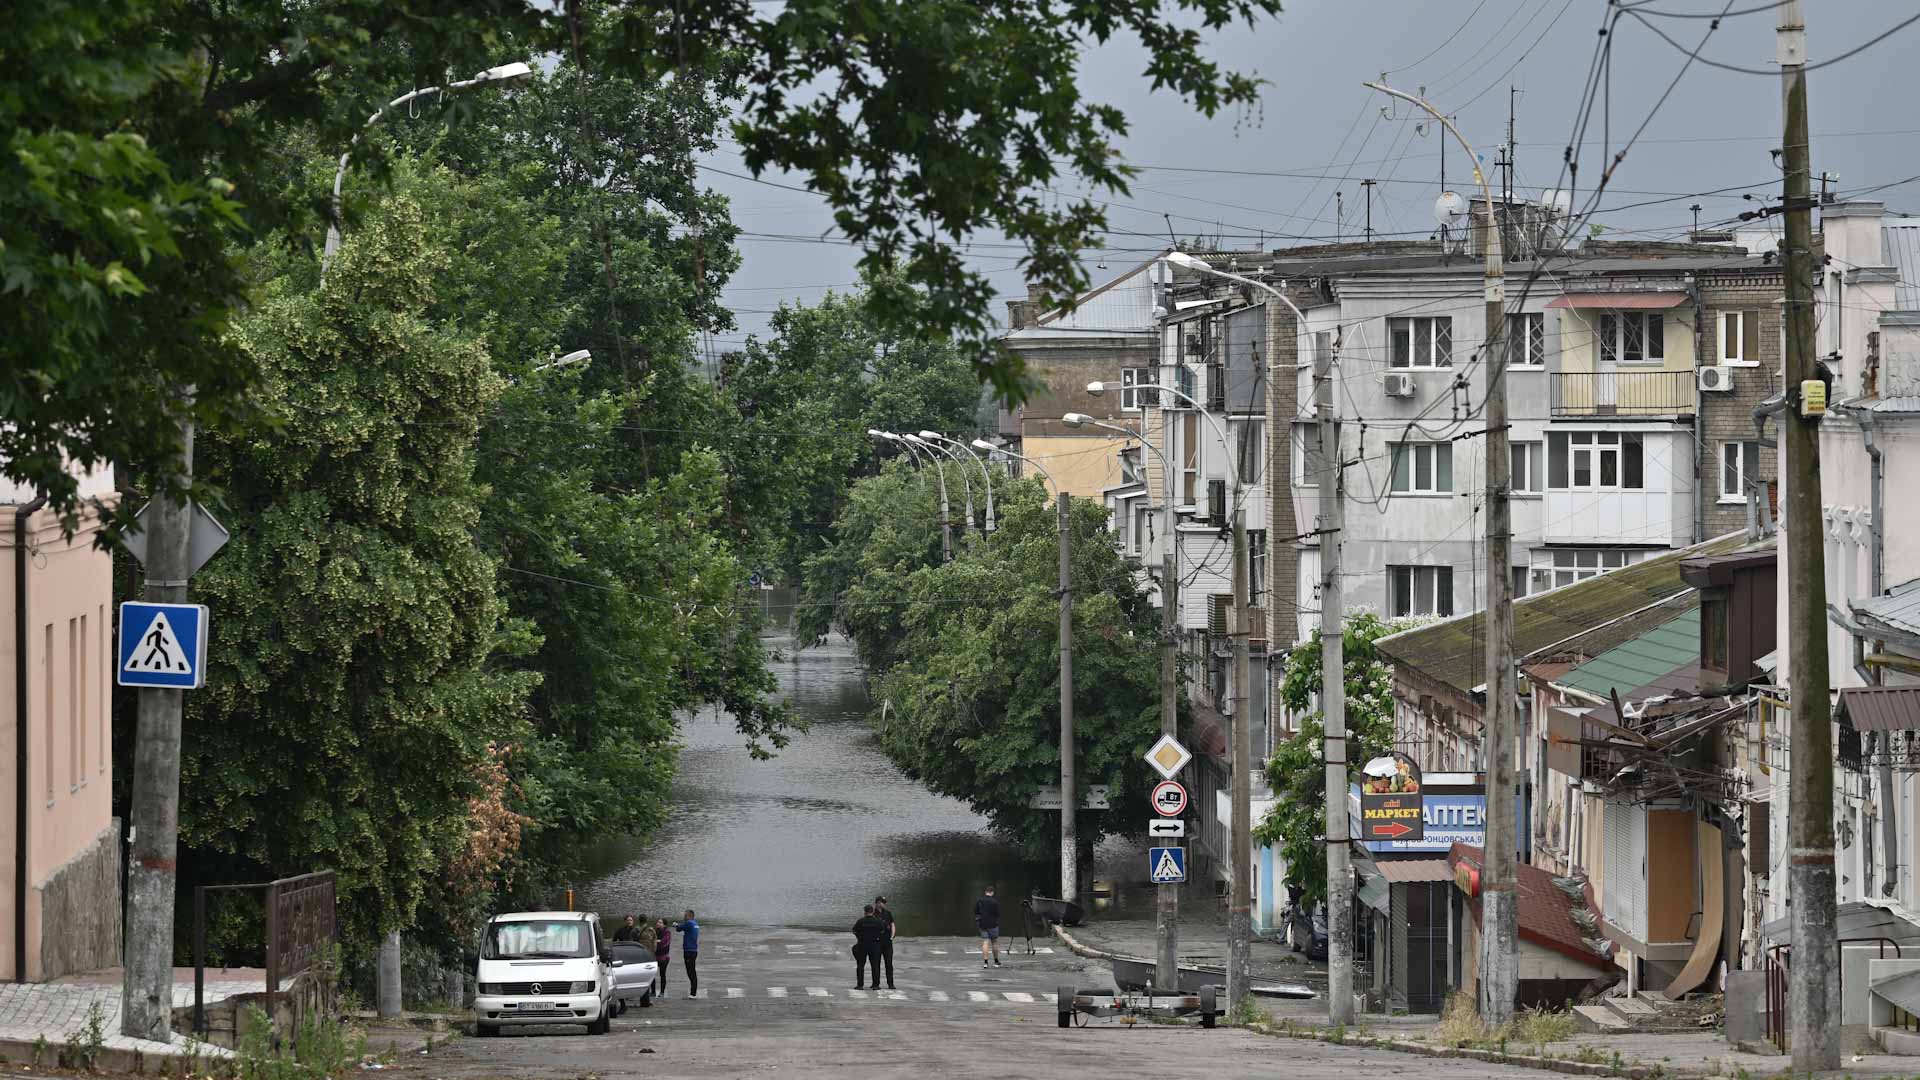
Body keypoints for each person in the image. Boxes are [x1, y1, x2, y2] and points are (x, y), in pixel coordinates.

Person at [852, 904, 889, 989]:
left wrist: (859, 937)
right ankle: (876, 985)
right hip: (875, 945)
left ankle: (860, 985)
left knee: (860, 965)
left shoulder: (860, 921)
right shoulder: (878, 921)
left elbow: (854, 931)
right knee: (875, 965)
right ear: (872, 912)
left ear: (864, 912)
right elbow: (883, 930)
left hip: (862, 944)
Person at [675, 910, 702, 998]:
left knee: (690, 972)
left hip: (689, 951)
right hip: (694, 950)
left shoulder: (689, 923)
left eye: (685, 915)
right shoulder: (695, 923)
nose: (684, 917)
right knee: (692, 971)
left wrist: (675, 925)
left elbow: (678, 929)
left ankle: (693, 993)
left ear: (690, 916)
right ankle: (693, 992)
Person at [974, 885, 1002, 967]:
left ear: (985, 892)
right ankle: (996, 961)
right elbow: (998, 914)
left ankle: (985, 962)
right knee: (994, 942)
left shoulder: (979, 900)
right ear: (992, 892)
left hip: (982, 924)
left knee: (985, 942)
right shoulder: (995, 902)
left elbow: (975, 911)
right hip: (993, 924)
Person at [872, 896, 896, 989]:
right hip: (876, 943)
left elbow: (892, 924)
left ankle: (890, 984)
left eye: (884, 903)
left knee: (889, 964)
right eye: (883, 902)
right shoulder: (873, 914)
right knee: (876, 964)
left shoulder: (888, 913)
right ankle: (875, 984)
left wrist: (892, 936)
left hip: (887, 942)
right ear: (878, 903)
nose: (884, 904)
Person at [653, 917, 671, 997]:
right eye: (657, 922)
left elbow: (663, 943)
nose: (658, 923)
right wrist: (657, 941)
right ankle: (653, 992)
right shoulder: (654, 931)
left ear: (664, 924)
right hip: (654, 956)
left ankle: (662, 992)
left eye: (660, 922)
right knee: (652, 974)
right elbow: (650, 941)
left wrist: (656, 941)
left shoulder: (667, 932)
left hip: (664, 957)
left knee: (662, 975)